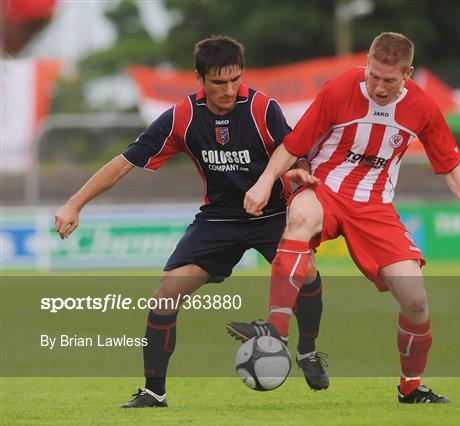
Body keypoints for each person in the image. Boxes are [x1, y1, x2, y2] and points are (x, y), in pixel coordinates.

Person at [54, 35, 328, 409]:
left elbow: (295, 153)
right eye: (219, 82)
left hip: (273, 213)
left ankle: (308, 352)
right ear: (199, 80)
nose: (229, 90)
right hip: (218, 219)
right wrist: (74, 204)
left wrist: (299, 172)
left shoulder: (263, 108)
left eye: (236, 80)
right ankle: (154, 391)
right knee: (165, 296)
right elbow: (124, 162)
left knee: (307, 272)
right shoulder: (181, 117)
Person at [227, 32, 460, 404]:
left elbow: (450, 164)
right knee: (301, 216)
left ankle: (411, 387)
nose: (379, 87)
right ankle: (275, 330)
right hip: (326, 190)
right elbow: (293, 145)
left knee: (416, 302)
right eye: (373, 76)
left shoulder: (422, 107)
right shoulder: (339, 89)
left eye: (389, 80)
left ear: (408, 74)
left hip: (376, 208)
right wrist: (264, 182)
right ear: (366, 65)